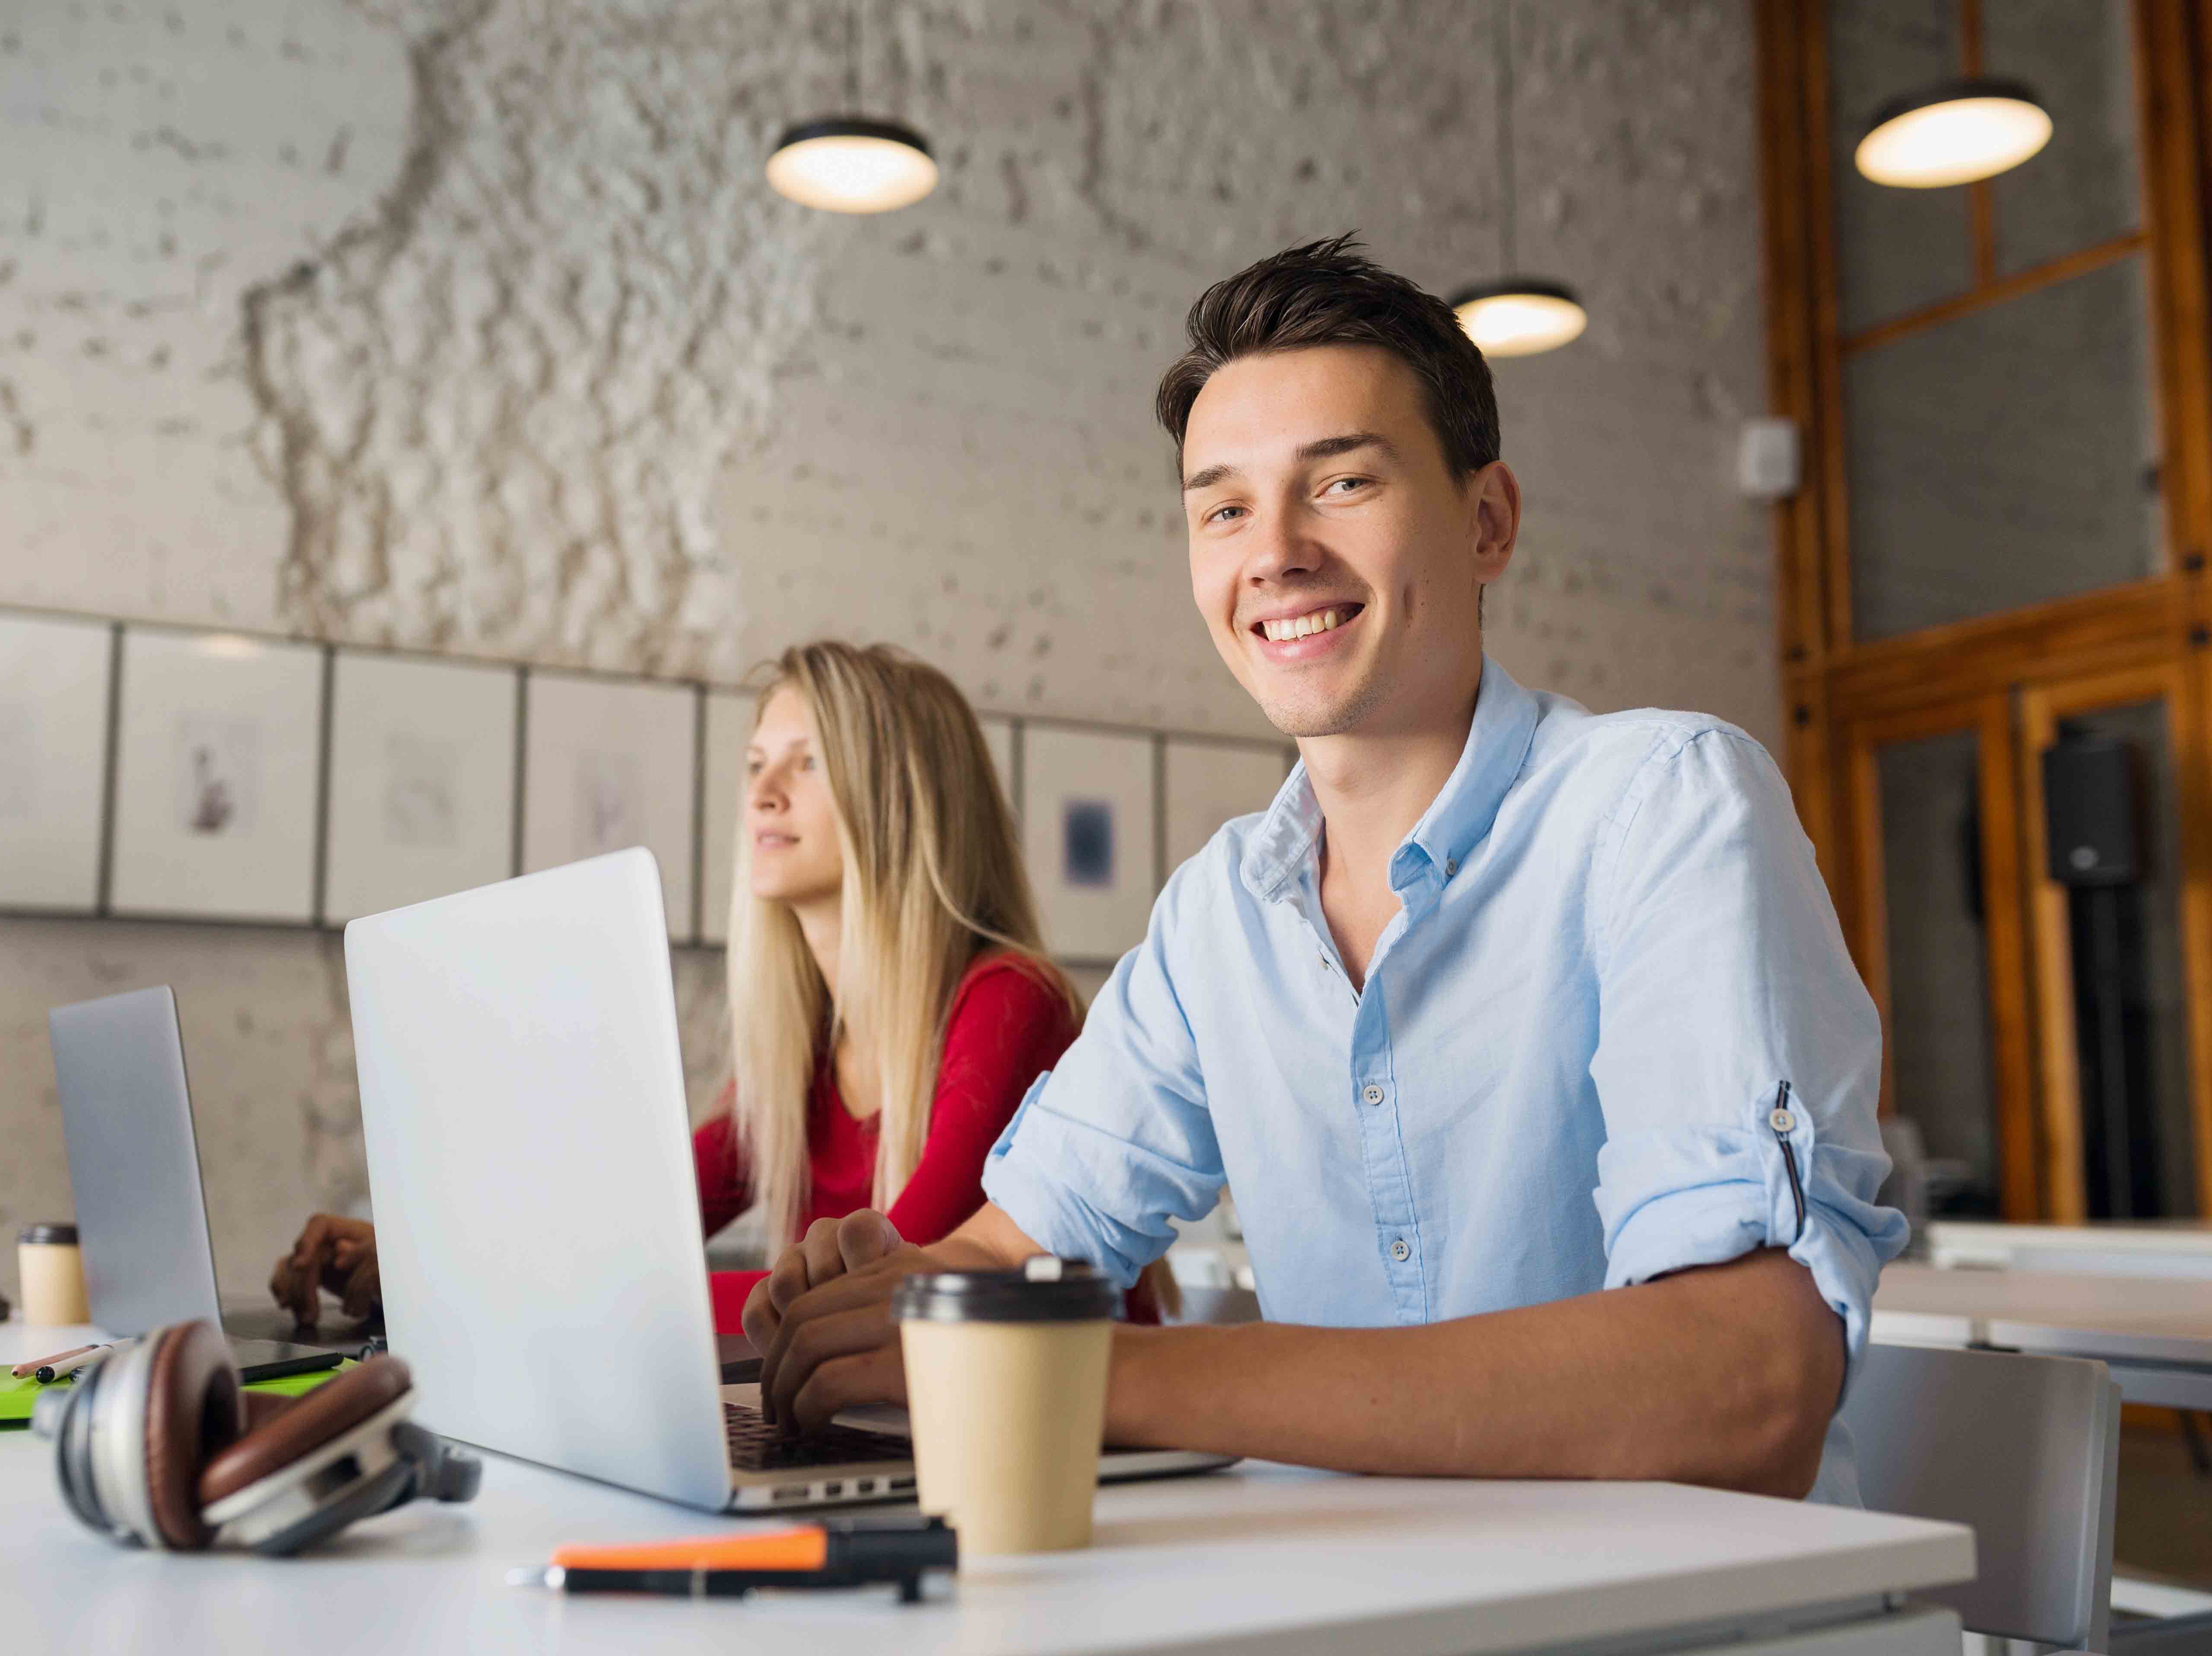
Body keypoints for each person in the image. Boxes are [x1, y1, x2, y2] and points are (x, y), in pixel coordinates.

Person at [743, 235, 1908, 1504]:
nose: (1276, 552)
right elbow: (1011, 1246)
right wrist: (878, 1301)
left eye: (1341, 483)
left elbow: (1746, 1385)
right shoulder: (1216, 917)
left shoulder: (1664, 806)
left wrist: (1081, 1375)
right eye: (1225, 507)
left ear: (1488, 521)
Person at [271, 640, 1087, 1333]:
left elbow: (877, 1292)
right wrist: (425, 1265)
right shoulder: (803, 1052)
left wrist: (474, 1297)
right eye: (757, 764)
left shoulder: (1010, 1003)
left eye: (811, 763)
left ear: (908, 802)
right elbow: (624, 1233)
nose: (766, 793)